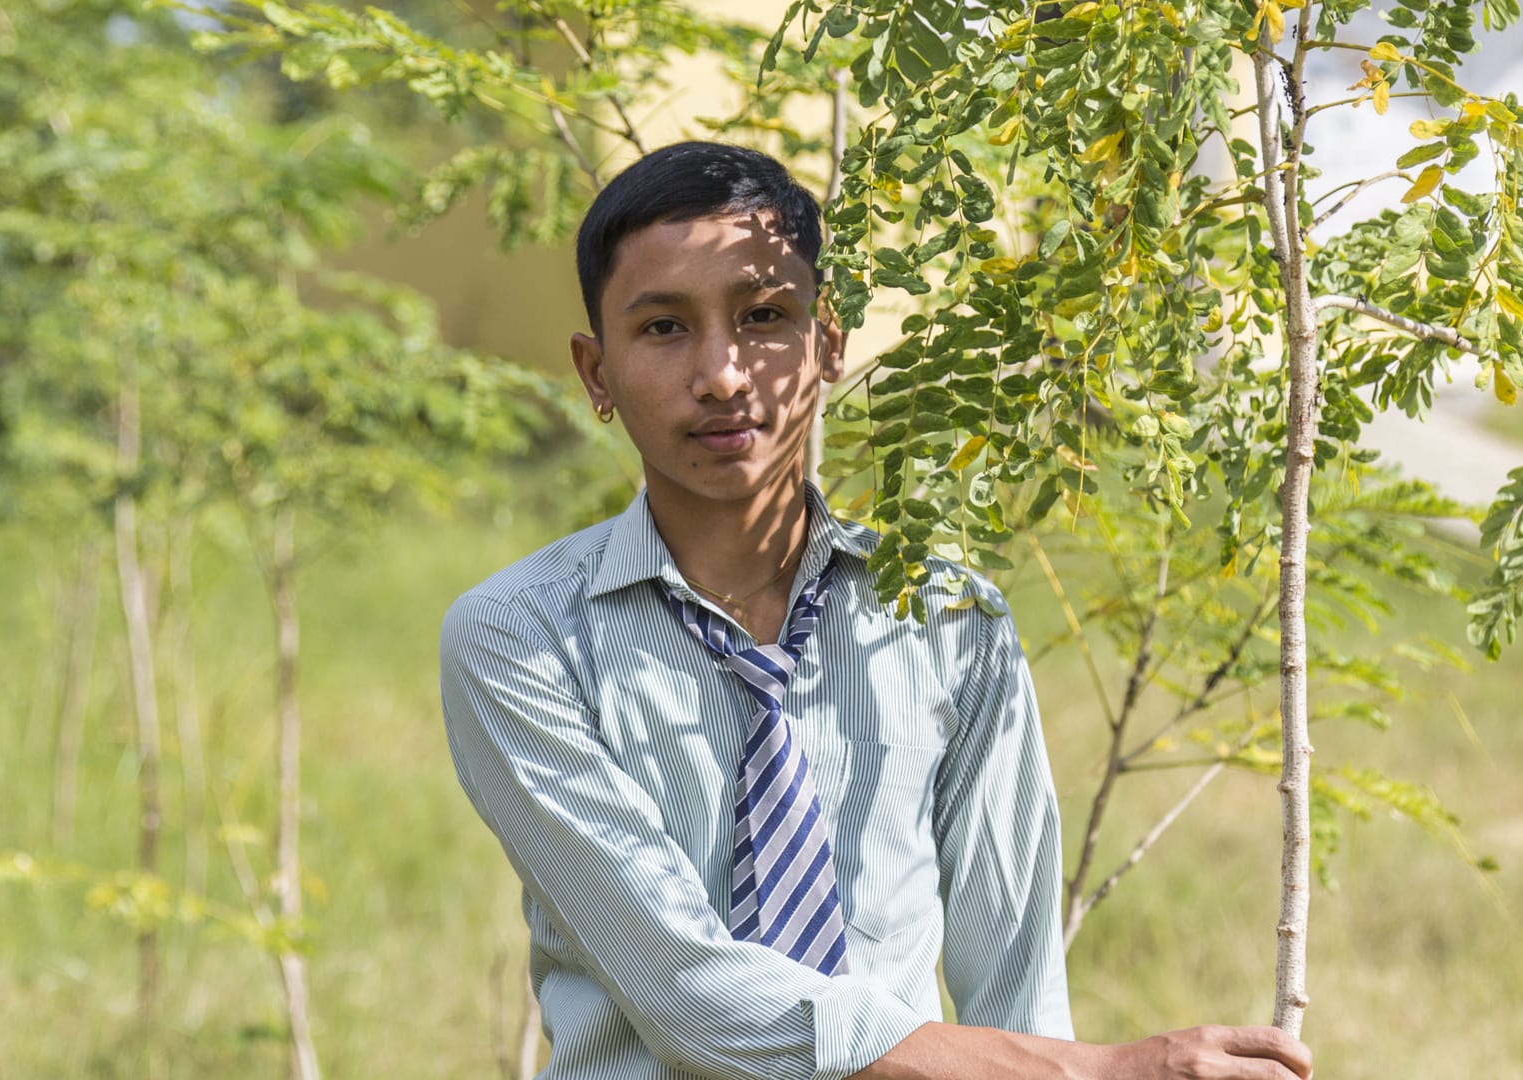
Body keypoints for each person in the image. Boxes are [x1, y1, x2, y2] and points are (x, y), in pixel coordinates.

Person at [439, 141, 1313, 1080]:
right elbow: (690, 993)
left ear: (829, 342)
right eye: (662, 328)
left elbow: (1016, 980)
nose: (724, 374)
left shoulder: (947, 618)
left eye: (766, 317)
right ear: (594, 373)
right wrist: (1096, 1071)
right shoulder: (520, 639)